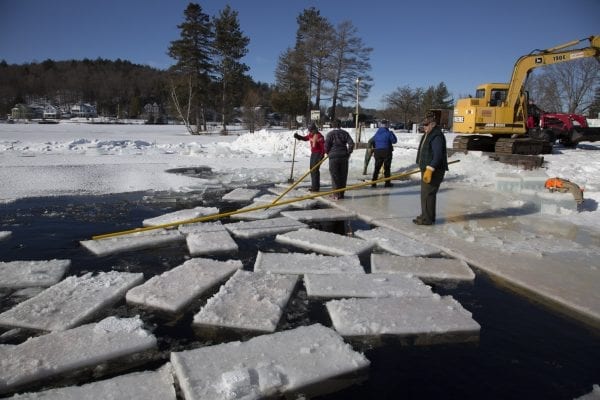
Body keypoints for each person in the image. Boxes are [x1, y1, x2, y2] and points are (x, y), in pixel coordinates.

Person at [414, 112, 448, 225]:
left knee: (428, 194)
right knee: (426, 194)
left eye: (426, 124)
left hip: (434, 170)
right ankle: (427, 215)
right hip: (428, 169)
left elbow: (437, 155)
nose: (424, 127)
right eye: (423, 125)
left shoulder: (436, 136)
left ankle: (426, 219)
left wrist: (430, 168)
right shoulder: (428, 134)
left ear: (432, 124)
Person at [324, 119, 354, 200]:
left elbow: (326, 146)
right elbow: (351, 143)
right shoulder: (345, 133)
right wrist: (348, 152)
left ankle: (336, 194)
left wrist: (328, 153)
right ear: (340, 125)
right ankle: (341, 194)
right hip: (344, 156)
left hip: (333, 157)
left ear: (333, 125)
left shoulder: (330, 134)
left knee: (335, 176)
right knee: (343, 175)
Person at [294, 123, 325, 192]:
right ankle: (314, 186)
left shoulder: (319, 136)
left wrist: (321, 156)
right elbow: (305, 138)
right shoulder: (311, 135)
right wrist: (298, 136)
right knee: (312, 169)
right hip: (313, 153)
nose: (310, 132)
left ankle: (315, 187)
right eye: (310, 130)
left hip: (319, 154)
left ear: (315, 129)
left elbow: (323, 147)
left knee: (315, 170)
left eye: (312, 130)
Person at [368, 120, 397, 188]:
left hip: (377, 151)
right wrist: (392, 133)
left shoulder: (377, 133)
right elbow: (394, 141)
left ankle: (373, 182)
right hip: (387, 151)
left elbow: (373, 141)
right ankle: (387, 183)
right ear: (387, 125)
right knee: (387, 167)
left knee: (377, 167)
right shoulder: (389, 133)